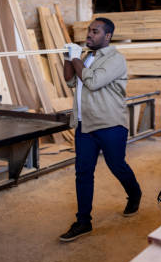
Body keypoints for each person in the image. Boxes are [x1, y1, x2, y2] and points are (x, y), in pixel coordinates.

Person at [59, 17, 141, 242]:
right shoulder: (85, 57)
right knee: (83, 173)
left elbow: (93, 82)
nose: (89, 35)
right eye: (88, 30)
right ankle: (83, 221)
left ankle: (134, 193)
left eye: (95, 32)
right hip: (84, 124)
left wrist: (76, 59)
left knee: (116, 165)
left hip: (110, 124)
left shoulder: (116, 60)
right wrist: (69, 57)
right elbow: (69, 81)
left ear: (107, 36)